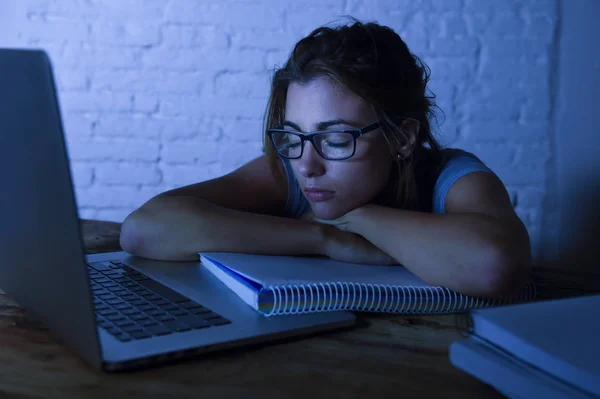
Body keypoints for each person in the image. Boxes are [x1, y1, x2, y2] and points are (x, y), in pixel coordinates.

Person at [120, 19, 532, 298]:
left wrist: (358, 218)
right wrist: (326, 239)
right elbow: (145, 229)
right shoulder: (289, 169)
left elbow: (493, 265)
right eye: (294, 136)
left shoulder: (455, 178)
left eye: (335, 140)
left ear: (402, 138)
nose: (307, 165)